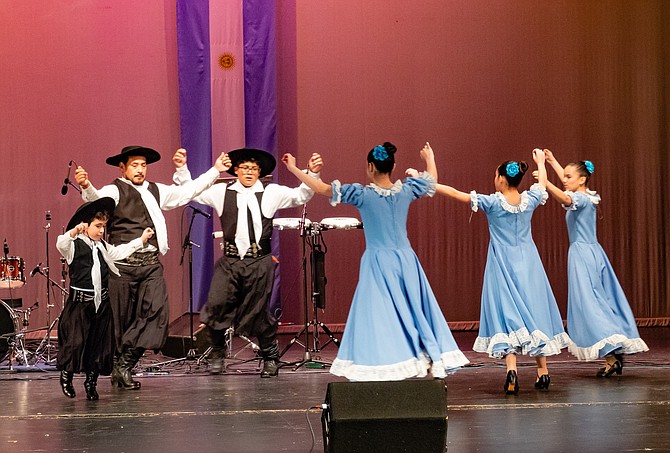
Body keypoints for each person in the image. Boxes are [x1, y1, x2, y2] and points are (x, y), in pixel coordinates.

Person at [282, 142, 469, 381]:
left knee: (379, 314)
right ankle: (428, 355)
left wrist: (294, 169)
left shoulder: (363, 194)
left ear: (370, 167)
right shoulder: (406, 190)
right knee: (414, 309)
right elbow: (431, 181)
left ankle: (388, 358)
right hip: (406, 260)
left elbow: (320, 188)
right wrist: (430, 158)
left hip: (379, 261)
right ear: (393, 166)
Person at [74, 146, 227, 390]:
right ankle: (118, 369)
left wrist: (215, 171)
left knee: (156, 314)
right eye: (134, 165)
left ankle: (125, 364)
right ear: (122, 167)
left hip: (150, 266)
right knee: (120, 323)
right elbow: (96, 200)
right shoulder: (115, 190)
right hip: (121, 268)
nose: (140, 170)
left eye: (143, 165)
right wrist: (85, 186)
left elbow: (187, 192)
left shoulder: (156, 190)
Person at [172, 147, 323, 377]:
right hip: (231, 262)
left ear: (260, 171)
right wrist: (182, 168)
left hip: (259, 261)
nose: (249, 172)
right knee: (216, 306)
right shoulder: (222, 192)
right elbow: (192, 191)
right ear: (236, 171)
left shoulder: (270, 192)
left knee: (258, 311)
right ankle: (218, 352)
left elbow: (300, 195)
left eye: (254, 168)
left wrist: (311, 173)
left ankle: (270, 357)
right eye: (244, 168)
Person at [434, 148, 570, 394]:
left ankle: (512, 371)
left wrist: (433, 185)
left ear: (501, 180)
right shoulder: (529, 199)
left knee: (508, 314)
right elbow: (541, 183)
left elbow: (458, 194)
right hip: (529, 263)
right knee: (533, 310)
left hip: (503, 265)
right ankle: (543, 371)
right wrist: (541, 162)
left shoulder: (494, 203)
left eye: (496, 175)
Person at [540, 150, 648, 376]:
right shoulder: (588, 196)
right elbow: (569, 186)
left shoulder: (579, 199)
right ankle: (612, 354)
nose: (565, 180)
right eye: (565, 177)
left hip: (582, 255)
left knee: (589, 304)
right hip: (593, 252)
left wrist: (546, 182)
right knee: (599, 300)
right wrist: (552, 162)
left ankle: (611, 355)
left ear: (582, 179)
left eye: (569, 177)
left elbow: (566, 196)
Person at [56, 197, 153, 400]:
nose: (102, 231)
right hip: (80, 305)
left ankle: (91, 383)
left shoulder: (103, 247)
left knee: (98, 346)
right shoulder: (74, 246)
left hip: (102, 305)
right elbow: (61, 243)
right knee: (75, 343)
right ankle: (67, 376)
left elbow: (119, 252)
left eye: (104, 227)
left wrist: (140, 241)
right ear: (86, 226)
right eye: (98, 226)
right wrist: (74, 232)